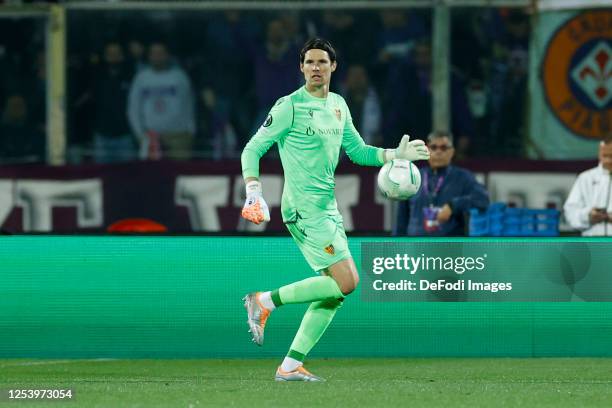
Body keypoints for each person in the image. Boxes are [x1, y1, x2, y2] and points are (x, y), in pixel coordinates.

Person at [240, 38, 430, 382]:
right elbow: (252, 150)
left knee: (336, 292)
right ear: (301, 68)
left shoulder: (339, 105)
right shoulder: (289, 106)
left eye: (322, 62)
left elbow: (357, 151)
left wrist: (393, 156)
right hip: (303, 208)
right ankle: (263, 301)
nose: (316, 67)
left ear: (333, 67)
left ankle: (290, 365)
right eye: (309, 62)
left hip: (327, 208)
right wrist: (253, 190)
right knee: (347, 282)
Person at [393, 131, 489, 236]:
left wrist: (453, 205)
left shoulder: (463, 177)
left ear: (452, 152)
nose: (438, 152)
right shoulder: (413, 177)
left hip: (449, 248)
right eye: (433, 147)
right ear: (427, 150)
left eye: (443, 148)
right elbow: (401, 219)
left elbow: (483, 198)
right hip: (415, 248)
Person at [127, 41, 195, 160]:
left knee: (180, 175)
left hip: (178, 136)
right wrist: (139, 135)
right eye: (154, 53)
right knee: (152, 176)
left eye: (161, 53)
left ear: (167, 55)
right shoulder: (141, 78)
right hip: (150, 138)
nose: (157, 56)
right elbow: (133, 109)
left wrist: (191, 131)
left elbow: (189, 105)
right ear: (149, 56)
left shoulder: (179, 76)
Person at [92, 42, 136, 163]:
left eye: (117, 54)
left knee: (127, 175)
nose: (114, 57)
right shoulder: (97, 77)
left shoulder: (131, 76)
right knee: (101, 174)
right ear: (105, 56)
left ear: (122, 56)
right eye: (110, 54)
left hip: (125, 134)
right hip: (102, 134)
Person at [564, 139, 612, 236]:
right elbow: (570, 212)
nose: (608, 160)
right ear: (599, 154)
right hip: (591, 245)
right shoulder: (585, 178)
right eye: (605, 156)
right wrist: (588, 216)